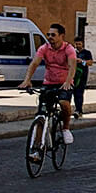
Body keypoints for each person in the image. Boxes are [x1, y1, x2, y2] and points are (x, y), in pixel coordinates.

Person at [18, 23, 78, 151]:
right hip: (48, 82)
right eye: (48, 34)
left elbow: (73, 66)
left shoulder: (69, 49)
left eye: (53, 35)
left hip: (64, 83)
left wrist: (68, 82)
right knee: (41, 115)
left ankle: (66, 128)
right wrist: (27, 80)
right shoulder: (44, 48)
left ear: (61, 36)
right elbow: (34, 63)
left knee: (64, 102)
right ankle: (37, 146)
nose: (50, 37)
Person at [71, 37, 92, 118]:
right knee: (73, 93)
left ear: (82, 44)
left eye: (79, 44)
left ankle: (79, 110)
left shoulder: (86, 53)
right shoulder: (72, 52)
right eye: (76, 44)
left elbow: (90, 63)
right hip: (73, 75)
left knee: (79, 93)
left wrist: (82, 61)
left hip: (82, 75)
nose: (78, 46)